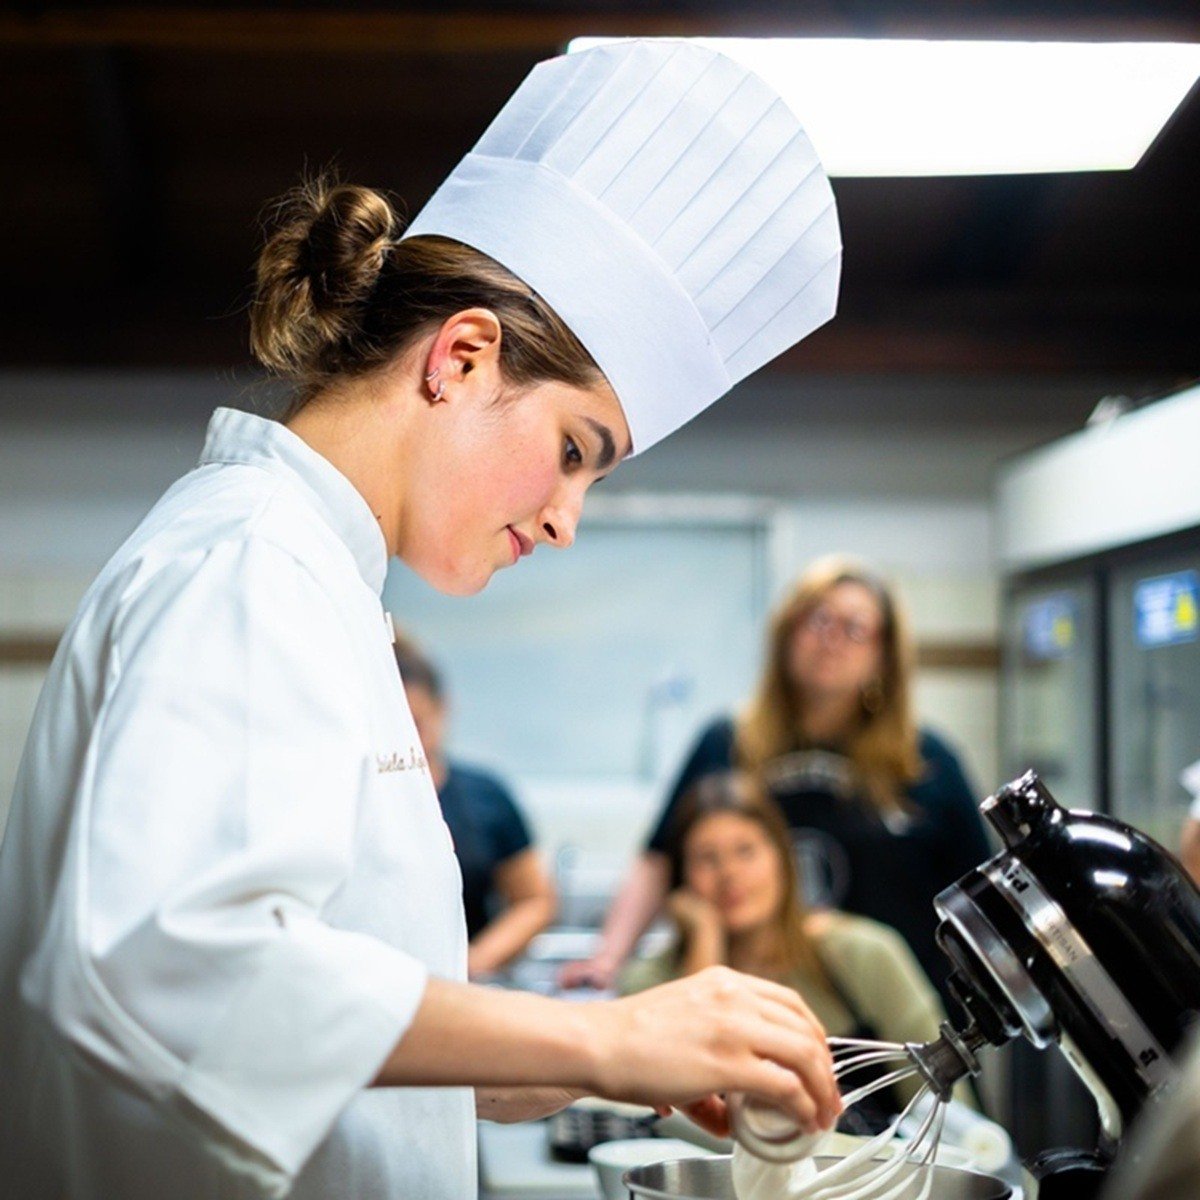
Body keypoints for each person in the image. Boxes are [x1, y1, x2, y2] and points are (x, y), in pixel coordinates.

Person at [0, 40, 845, 1200]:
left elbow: (338, 1027)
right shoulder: (250, 564)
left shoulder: (319, 583)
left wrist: (597, 1059)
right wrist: (598, 1043)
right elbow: (166, 966)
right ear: (460, 357)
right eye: (572, 455)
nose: (566, 523)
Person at [565, 556, 991, 1012]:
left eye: (854, 628)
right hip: (753, 1002)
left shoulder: (925, 763)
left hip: (886, 1018)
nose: (831, 640)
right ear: (786, 634)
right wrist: (608, 957)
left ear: (884, 654)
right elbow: (659, 860)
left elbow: (981, 898)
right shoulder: (728, 745)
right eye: (818, 620)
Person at [620, 772, 973, 1128]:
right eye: (707, 858)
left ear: (783, 860)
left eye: (746, 851)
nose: (728, 873)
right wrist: (704, 945)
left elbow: (952, 1109)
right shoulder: (650, 983)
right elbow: (663, 1121)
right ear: (683, 877)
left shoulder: (864, 954)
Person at [394, 636, 556, 978]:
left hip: (466, 982)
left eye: (417, 724)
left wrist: (475, 961)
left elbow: (534, 901)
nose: (406, 739)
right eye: (394, 727)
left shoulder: (486, 796)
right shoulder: (353, 799)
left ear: (443, 708)